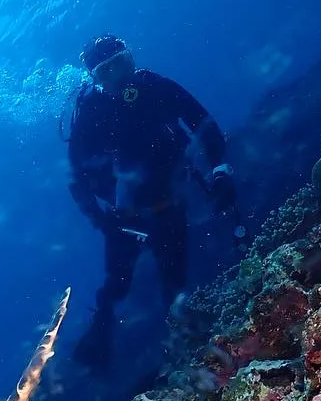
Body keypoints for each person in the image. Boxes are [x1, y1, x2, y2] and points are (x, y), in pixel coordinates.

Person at [65, 35, 236, 368]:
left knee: (175, 280)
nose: (119, 78)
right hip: (123, 213)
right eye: (106, 72)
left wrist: (220, 169)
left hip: (166, 202)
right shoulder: (90, 113)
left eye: (122, 64)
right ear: (96, 80)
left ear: (132, 59)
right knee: (117, 283)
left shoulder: (155, 87)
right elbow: (77, 179)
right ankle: (99, 337)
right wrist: (101, 219)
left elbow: (203, 123)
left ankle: (186, 353)